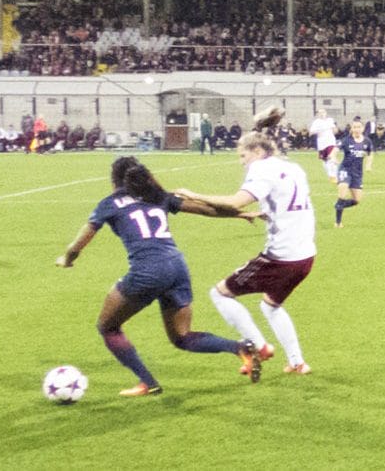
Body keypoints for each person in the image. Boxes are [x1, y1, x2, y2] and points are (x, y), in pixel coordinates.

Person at [56, 156, 263, 397]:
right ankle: (241, 348)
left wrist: (68, 259)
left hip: (148, 271)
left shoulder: (110, 203)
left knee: (108, 327)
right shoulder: (158, 196)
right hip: (177, 267)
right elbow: (204, 209)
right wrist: (239, 214)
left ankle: (148, 382)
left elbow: (81, 241)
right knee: (182, 337)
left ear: (115, 180)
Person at [176, 128, 317, 375]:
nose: (242, 162)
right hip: (305, 255)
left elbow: (235, 201)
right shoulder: (294, 167)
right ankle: (297, 363)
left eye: (243, 156)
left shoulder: (261, 169)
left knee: (220, 293)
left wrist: (193, 195)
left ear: (258, 151)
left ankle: (260, 348)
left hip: (280, 258)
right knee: (270, 306)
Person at [334, 120, 374, 228]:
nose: (357, 129)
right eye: (355, 127)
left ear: (362, 128)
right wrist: (334, 158)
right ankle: (338, 222)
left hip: (357, 173)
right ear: (352, 129)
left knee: (356, 200)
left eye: (359, 127)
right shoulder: (346, 140)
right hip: (345, 170)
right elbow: (335, 150)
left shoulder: (367, 141)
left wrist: (368, 165)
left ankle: (338, 205)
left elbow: (370, 153)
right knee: (342, 194)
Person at [308, 108, 339, 183]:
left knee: (332, 157)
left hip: (331, 141)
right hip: (322, 143)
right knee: (325, 160)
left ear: (326, 113)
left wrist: (334, 129)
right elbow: (310, 133)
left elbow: (335, 131)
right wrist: (318, 130)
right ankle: (330, 175)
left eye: (323, 112)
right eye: (320, 112)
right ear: (318, 114)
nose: (322, 114)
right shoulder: (316, 122)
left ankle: (334, 175)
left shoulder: (330, 120)